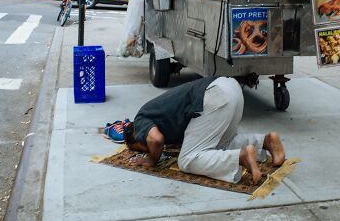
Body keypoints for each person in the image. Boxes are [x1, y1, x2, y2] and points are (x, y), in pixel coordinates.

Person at [123, 76, 286, 185]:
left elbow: (155, 140)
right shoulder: (156, 113)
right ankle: (265, 141)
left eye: (141, 149)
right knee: (220, 145)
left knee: (187, 160)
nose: (145, 150)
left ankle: (240, 157)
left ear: (136, 137)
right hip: (231, 88)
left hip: (214, 96)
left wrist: (151, 159)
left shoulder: (140, 121)